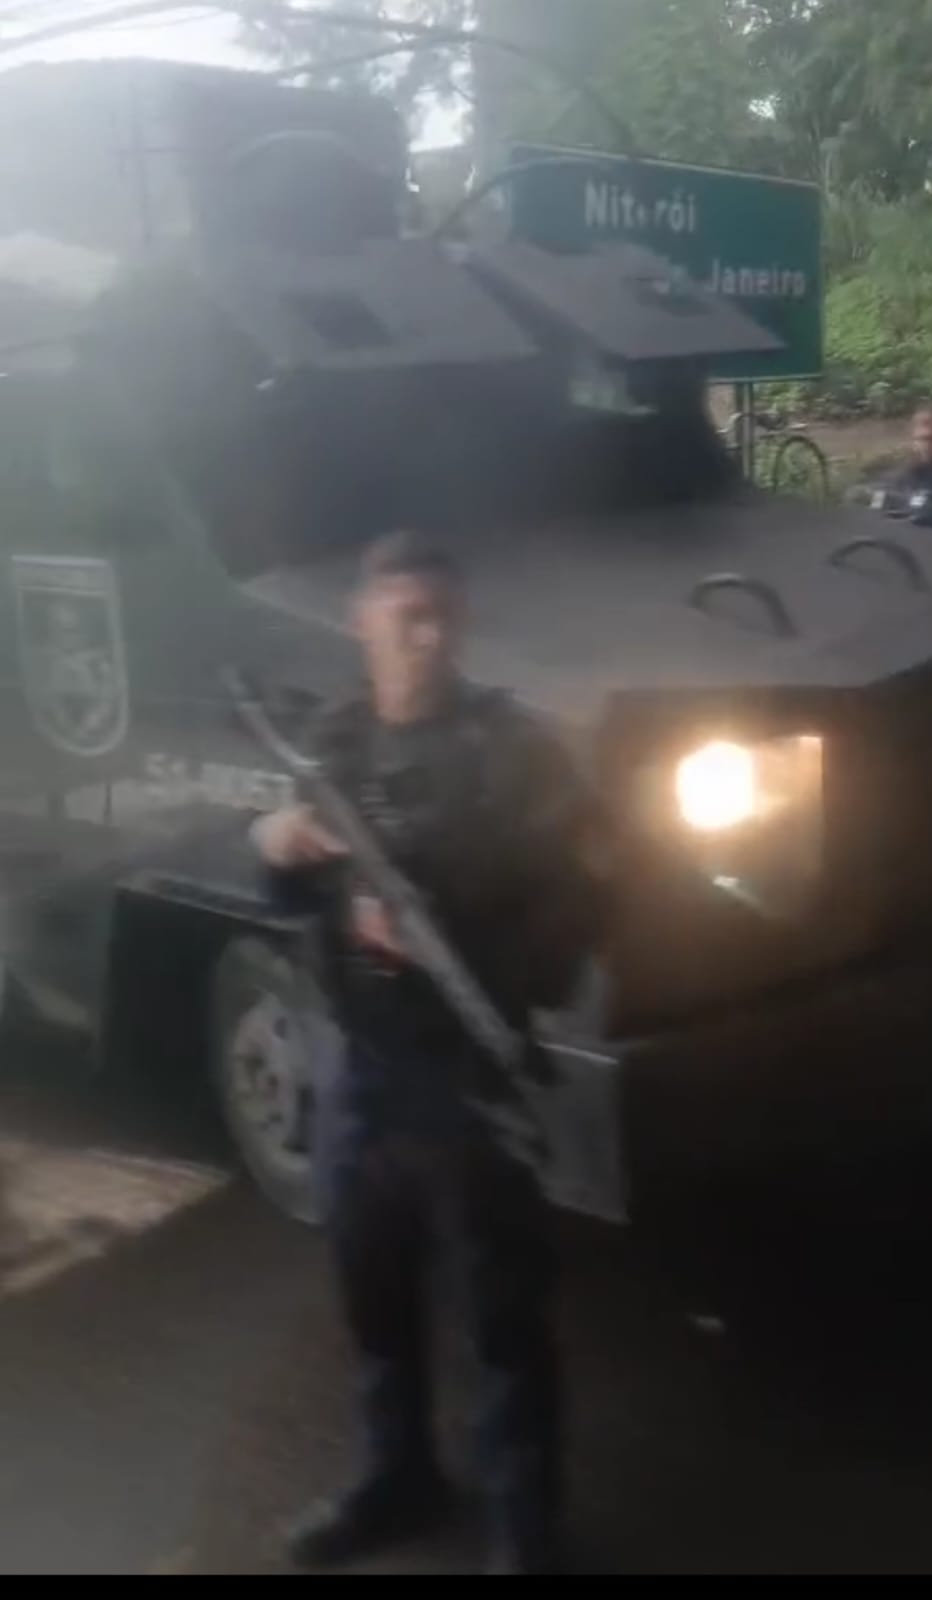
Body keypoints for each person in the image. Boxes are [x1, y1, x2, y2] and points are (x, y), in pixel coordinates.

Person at [251, 531, 602, 1575]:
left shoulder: (512, 747)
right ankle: (396, 1476)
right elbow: (289, 885)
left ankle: (523, 1525)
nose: (427, 638)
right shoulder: (334, 739)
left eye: (443, 617)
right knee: (374, 1291)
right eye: (406, 617)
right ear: (361, 622)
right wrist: (277, 843)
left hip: (471, 1069)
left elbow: (586, 900)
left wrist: (466, 931)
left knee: (501, 1314)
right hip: (361, 1062)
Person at [859, 406, 932, 532]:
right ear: (914, 440)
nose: (927, 445)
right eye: (922, 439)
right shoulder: (906, 475)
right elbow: (877, 503)